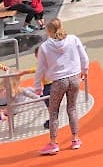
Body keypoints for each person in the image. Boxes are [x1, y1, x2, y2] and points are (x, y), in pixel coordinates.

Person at [35, 17, 89, 155]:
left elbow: (40, 68)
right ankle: (75, 139)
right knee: (72, 108)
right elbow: (84, 56)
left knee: (53, 112)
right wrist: (85, 70)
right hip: (74, 77)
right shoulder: (73, 39)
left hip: (58, 80)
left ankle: (53, 143)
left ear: (49, 31)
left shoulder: (45, 47)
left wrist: (37, 86)